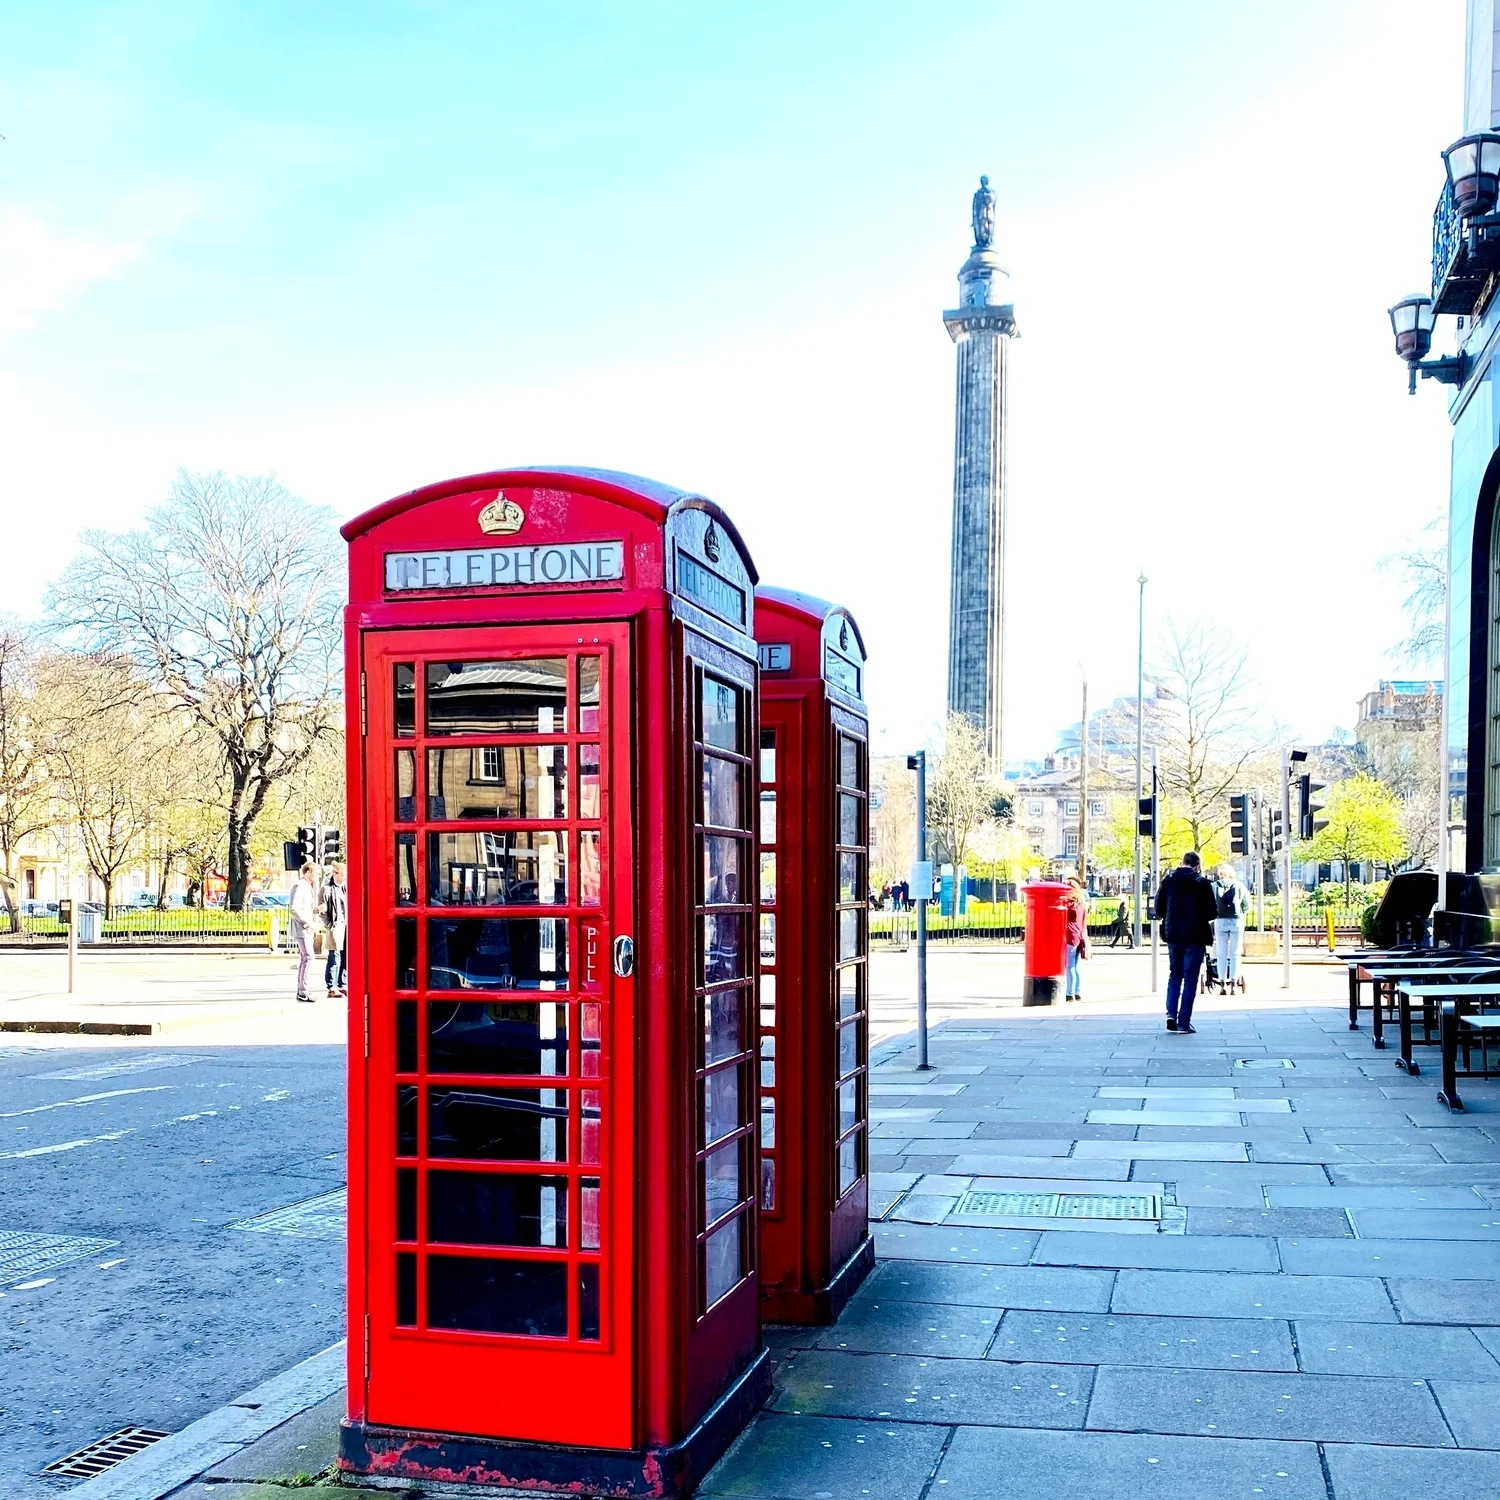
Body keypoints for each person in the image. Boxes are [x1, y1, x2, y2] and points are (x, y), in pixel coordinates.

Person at [1154, 850, 1218, 1033]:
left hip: (1173, 935)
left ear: (1182, 863)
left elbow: (1159, 909)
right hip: (1195, 937)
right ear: (1198, 866)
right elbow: (1212, 912)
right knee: (1190, 979)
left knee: (1175, 975)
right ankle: (1183, 1021)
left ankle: (1170, 1014)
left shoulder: (1168, 881)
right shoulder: (1203, 884)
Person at [1213, 863, 1250, 995]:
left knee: (1221, 953)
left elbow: (1209, 903)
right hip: (1236, 921)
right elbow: (1247, 905)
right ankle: (1234, 983)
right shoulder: (1239, 885)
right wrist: (1240, 912)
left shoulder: (1214, 886)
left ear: (1220, 874)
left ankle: (1222, 983)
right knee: (1235, 953)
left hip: (1220, 920)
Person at [288, 862, 319, 1003]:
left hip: (306, 927)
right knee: (308, 957)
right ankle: (303, 991)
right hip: (302, 928)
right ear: (308, 872)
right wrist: (306, 922)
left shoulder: (307, 886)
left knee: (305, 958)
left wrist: (316, 910)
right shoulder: (300, 885)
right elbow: (294, 908)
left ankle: (302, 990)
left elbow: (304, 907)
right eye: (316, 873)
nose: (318, 875)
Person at [323, 862, 349, 999]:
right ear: (335, 873)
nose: (345, 877)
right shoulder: (327, 889)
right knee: (335, 956)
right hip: (335, 926)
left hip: (347, 925)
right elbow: (322, 910)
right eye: (342, 875)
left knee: (346, 956)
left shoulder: (345, 887)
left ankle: (342, 983)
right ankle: (331, 986)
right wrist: (329, 925)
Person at [1064, 874, 1089, 1002]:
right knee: (1076, 966)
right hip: (1080, 936)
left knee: (1069, 966)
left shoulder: (1069, 903)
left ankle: (1069, 993)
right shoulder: (1082, 903)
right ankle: (1078, 992)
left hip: (1070, 937)